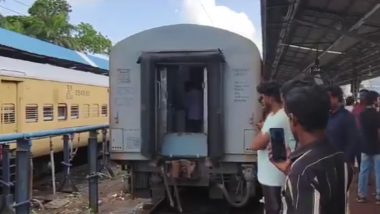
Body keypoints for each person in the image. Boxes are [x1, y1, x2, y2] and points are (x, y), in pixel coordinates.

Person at [270, 81, 353, 213]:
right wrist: (290, 171)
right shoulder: (341, 158)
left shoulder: (303, 171)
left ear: (293, 119)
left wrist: (295, 173)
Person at [251, 81, 296, 214]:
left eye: (263, 97)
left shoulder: (279, 118)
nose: (262, 100)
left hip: (274, 177)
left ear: (271, 98)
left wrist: (262, 133)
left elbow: (256, 145)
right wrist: (263, 131)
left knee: (274, 209)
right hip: (270, 174)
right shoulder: (273, 115)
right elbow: (267, 138)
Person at [357, 90, 380, 204]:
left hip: (365, 146)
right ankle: (379, 196)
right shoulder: (377, 115)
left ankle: (362, 195)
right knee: (378, 171)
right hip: (377, 147)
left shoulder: (362, 114)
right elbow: (378, 131)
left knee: (363, 171)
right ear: (375, 100)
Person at [326, 85, 358, 163]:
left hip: (342, 163)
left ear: (336, 98)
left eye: (328, 98)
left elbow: (352, 142)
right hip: (328, 161)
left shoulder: (347, 117)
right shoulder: (327, 116)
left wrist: (345, 161)